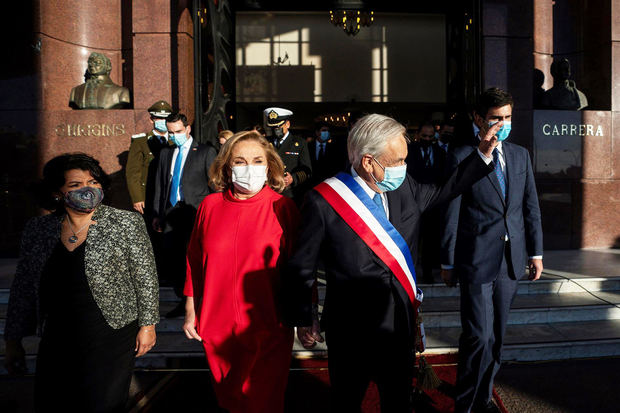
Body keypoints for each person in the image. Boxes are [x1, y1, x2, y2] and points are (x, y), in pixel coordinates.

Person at [284, 113, 501, 412]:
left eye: (405, 159)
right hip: (350, 329)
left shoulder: (404, 186)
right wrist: (304, 316)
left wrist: (481, 156)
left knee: (398, 402)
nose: (403, 167)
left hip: (399, 324)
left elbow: (444, 190)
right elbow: (301, 265)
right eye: (397, 161)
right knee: (346, 402)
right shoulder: (324, 200)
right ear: (368, 161)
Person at [4, 153, 159, 412]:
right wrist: (13, 339)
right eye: (75, 185)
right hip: (58, 334)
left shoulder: (126, 223)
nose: (88, 189)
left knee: (103, 404)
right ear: (57, 192)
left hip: (112, 331)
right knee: (56, 401)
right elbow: (24, 286)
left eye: (94, 182)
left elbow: (145, 276)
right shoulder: (39, 229)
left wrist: (148, 325)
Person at [440, 88, 544, 413]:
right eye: (495, 118)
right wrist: (447, 258)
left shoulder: (520, 155)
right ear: (478, 119)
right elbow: (450, 212)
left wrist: (535, 252)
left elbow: (530, 207)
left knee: (497, 338)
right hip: (475, 261)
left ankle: (484, 397)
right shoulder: (461, 156)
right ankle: (466, 405)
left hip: (510, 262)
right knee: (479, 337)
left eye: (507, 118)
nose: (502, 124)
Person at [183, 131, 299, 413]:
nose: (250, 167)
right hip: (216, 324)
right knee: (230, 400)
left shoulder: (283, 207)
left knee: (264, 401)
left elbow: (299, 268)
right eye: (240, 161)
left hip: (268, 324)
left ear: (270, 166)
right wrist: (190, 309)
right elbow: (194, 261)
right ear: (226, 166)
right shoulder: (209, 207)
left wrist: (305, 316)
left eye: (258, 160)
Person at [152, 112, 217, 318]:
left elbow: (215, 186)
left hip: (195, 212)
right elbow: (161, 185)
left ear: (188, 129)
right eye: (171, 133)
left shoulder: (205, 152)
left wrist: (214, 214)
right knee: (175, 258)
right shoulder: (165, 153)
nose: (174, 136)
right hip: (171, 213)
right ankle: (182, 301)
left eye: (178, 131)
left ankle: (201, 301)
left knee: (196, 258)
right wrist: (157, 213)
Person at [407, 121, 448, 283]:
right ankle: (411, 272)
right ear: (417, 135)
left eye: (431, 136)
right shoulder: (409, 151)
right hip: (413, 202)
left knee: (431, 241)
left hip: (433, 204)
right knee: (412, 240)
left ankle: (429, 272)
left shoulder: (440, 152)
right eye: (424, 136)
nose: (427, 139)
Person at [126, 100, 174, 215]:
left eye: (165, 119)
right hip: (148, 194)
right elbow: (133, 172)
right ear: (151, 120)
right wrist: (137, 197)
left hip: (170, 194)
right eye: (159, 118)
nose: (163, 122)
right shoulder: (140, 142)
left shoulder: (175, 141)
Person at [263, 107, 312, 201]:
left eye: (279, 127)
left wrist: (293, 179)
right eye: (273, 127)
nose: (276, 130)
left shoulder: (299, 143)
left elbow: (307, 170)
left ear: (287, 124)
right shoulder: (266, 143)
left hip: (290, 194)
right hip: (269, 192)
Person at [307, 121, 348, 187]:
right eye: (324, 130)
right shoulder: (308, 147)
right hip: (311, 184)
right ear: (317, 132)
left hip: (327, 183)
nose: (326, 133)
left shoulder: (334, 148)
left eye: (328, 131)